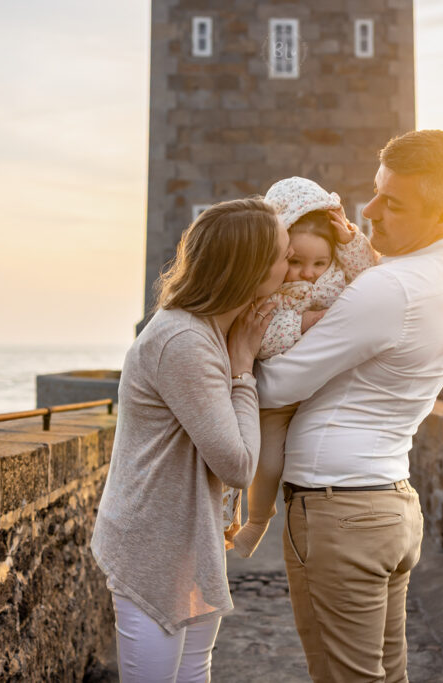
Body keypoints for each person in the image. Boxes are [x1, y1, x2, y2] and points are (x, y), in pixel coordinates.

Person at [255, 130, 443, 682]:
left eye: (392, 203)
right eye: (376, 191)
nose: (370, 210)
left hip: (340, 512)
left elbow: (276, 386)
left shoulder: (388, 288)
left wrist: (233, 355)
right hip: (389, 505)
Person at [90, 198, 288, 683]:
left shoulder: (208, 332)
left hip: (187, 538)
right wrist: (242, 369)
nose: (292, 267)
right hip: (154, 543)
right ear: (252, 269)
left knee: (194, 671)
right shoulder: (185, 342)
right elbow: (237, 465)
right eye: (284, 256)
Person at [232, 177, 377, 558]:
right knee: (263, 462)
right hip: (276, 401)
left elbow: (370, 273)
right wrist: (307, 321)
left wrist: (348, 239)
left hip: (328, 392)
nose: (309, 273)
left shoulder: (338, 275)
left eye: (319, 263)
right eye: (296, 262)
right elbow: (262, 338)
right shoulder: (269, 289)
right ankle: (257, 519)